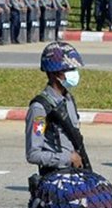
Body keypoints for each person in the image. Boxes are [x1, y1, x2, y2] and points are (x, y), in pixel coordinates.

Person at [26, 42, 87, 180]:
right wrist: (67, 158)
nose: (74, 73)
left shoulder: (69, 100)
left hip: (74, 175)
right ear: (54, 73)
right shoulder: (40, 108)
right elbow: (33, 154)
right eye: (69, 70)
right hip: (54, 178)